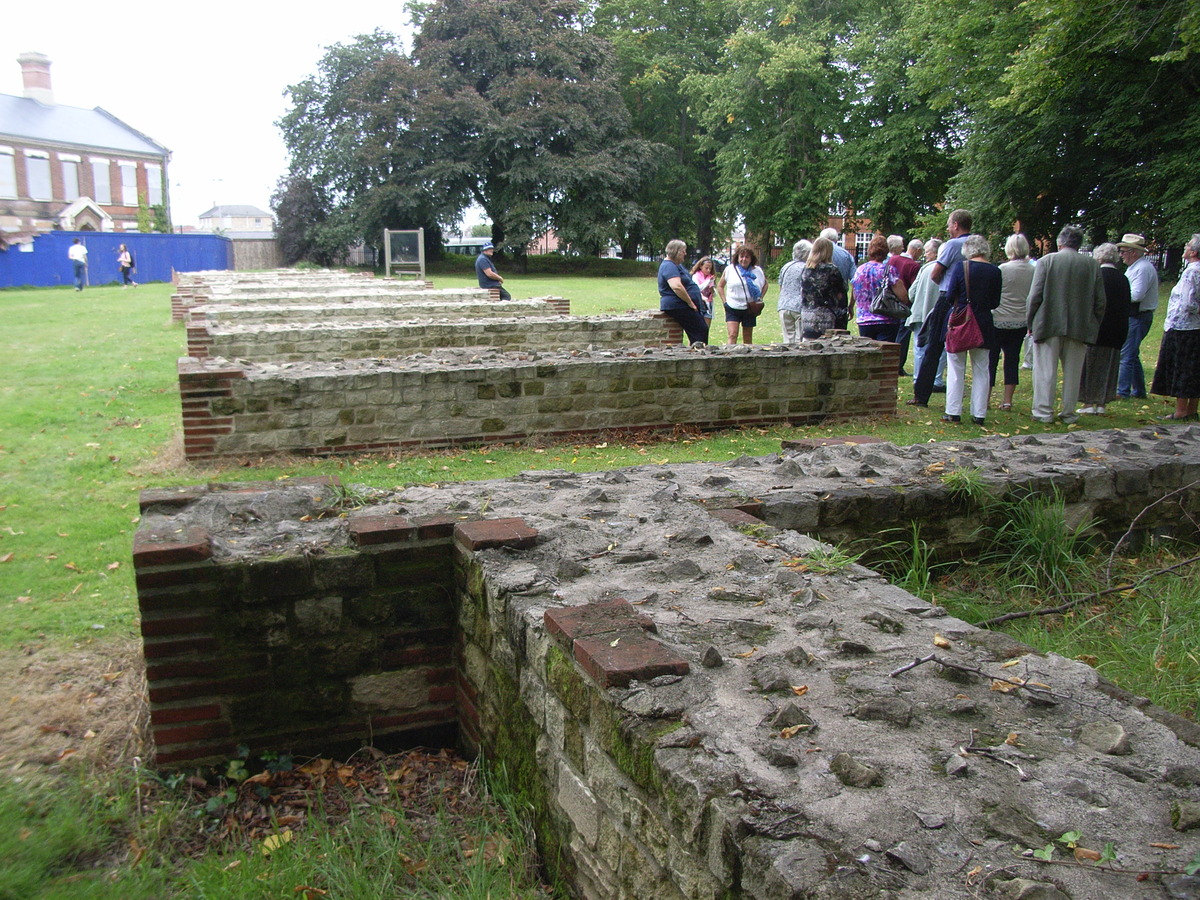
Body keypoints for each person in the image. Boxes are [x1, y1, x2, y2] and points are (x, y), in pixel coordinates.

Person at [1026, 225, 1107, 424]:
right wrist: (1093, 322)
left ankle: (1043, 411)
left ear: (1060, 242)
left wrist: (1030, 321)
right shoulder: (1092, 265)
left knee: (1045, 370)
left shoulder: (1047, 261)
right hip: (1080, 325)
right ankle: (1069, 412)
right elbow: (1100, 301)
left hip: (1048, 322)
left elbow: (1035, 295)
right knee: (1073, 372)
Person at [911, 209, 975, 407]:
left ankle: (921, 395)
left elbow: (935, 272)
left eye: (949, 224)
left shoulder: (952, 245)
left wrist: (945, 283)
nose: (948, 228)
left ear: (956, 225)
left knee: (933, 346)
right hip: (970, 298)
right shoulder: (976, 243)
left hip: (947, 297)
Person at [940, 235, 1001, 425]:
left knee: (956, 368)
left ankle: (953, 411)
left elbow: (951, 295)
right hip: (983, 321)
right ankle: (979, 413)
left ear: (968, 250)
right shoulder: (995, 271)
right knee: (982, 369)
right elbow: (995, 302)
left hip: (961, 320)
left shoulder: (961, 267)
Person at [1150, 233, 1200, 422]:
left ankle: (1180, 411)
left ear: (1193, 252)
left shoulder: (1191, 272)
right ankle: (1192, 409)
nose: (1185, 248)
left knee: (1183, 368)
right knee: (1195, 368)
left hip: (1182, 326)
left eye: (1188, 246)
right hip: (1195, 328)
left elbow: (1188, 303)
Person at [1078, 243, 1131, 414]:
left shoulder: (1096, 275)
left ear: (1098, 257)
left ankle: (1088, 403)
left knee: (1090, 366)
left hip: (1097, 329)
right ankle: (1102, 403)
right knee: (1109, 366)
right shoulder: (1123, 278)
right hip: (1117, 330)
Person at [991, 233, 1036, 411]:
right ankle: (1007, 400)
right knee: (1012, 360)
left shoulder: (1002, 269)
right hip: (1020, 320)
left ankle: (984, 398)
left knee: (991, 360)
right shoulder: (1034, 271)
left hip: (998, 319)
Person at [1116, 233, 1160, 400]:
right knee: (1132, 354)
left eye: (1123, 251)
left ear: (1133, 252)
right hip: (1136, 315)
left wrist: (1119, 295)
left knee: (1126, 355)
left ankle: (1122, 391)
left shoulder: (1141, 269)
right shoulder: (1136, 267)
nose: (1121, 255)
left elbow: (1137, 295)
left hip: (1138, 316)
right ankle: (1139, 391)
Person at [851, 234, 909, 343]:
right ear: (886, 251)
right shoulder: (888, 270)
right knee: (884, 355)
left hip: (864, 320)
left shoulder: (859, 270)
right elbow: (903, 297)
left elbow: (855, 294)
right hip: (886, 320)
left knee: (868, 354)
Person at [658, 239, 709, 346]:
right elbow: (676, 286)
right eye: (683, 251)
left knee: (700, 330)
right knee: (700, 329)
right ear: (675, 251)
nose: (685, 253)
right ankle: (698, 355)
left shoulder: (677, 265)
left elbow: (688, 283)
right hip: (678, 305)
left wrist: (699, 296)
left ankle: (696, 352)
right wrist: (690, 302)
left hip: (683, 305)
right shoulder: (669, 266)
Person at [718, 244, 768, 344]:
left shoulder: (757, 271)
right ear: (737, 257)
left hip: (750, 308)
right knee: (732, 334)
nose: (744, 259)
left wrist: (760, 298)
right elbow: (720, 286)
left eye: (747, 257)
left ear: (751, 259)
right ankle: (729, 356)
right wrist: (725, 302)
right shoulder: (730, 269)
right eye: (741, 256)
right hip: (732, 306)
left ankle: (747, 357)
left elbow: (765, 285)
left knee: (748, 337)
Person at [799, 237, 848, 340]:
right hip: (826, 317)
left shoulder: (806, 270)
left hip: (807, 315)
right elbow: (841, 292)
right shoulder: (831, 270)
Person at [888, 236, 922, 374]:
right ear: (917, 250)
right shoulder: (913, 266)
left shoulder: (893, 259)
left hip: (889, 302)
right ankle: (898, 365)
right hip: (904, 304)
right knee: (903, 335)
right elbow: (915, 286)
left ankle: (890, 361)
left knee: (892, 334)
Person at [776, 240, 812, 343]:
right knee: (799, 339)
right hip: (799, 306)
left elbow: (781, 285)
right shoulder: (806, 268)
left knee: (787, 339)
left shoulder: (786, 266)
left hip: (784, 305)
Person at [691, 257, 718, 327]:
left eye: (710, 268)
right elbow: (698, 288)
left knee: (706, 328)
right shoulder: (695, 276)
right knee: (698, 327)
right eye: (706, 268)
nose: (708, 270)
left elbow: (714, 295)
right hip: (699, 304)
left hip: (709, 304)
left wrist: (712, 288)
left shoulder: (710, 277)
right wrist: (708, 281)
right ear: (700, 266)